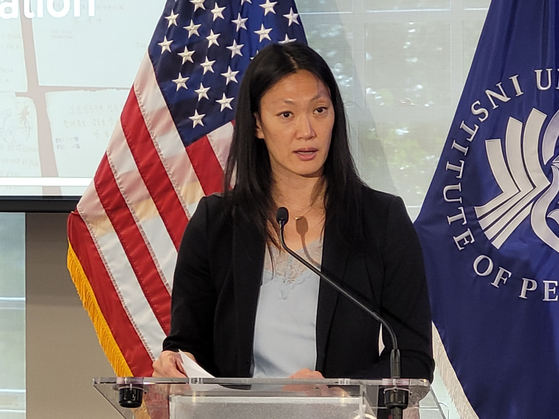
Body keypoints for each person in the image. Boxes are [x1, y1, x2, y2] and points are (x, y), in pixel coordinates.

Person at [152, 42, 434, 381]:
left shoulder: (381, 220)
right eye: (287, 114)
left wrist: (339, 392)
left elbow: (412, 359)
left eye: (319, 110)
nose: (307, 131)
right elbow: (187, 343)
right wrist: (174, 362)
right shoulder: (216, 223)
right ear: (257, 124)